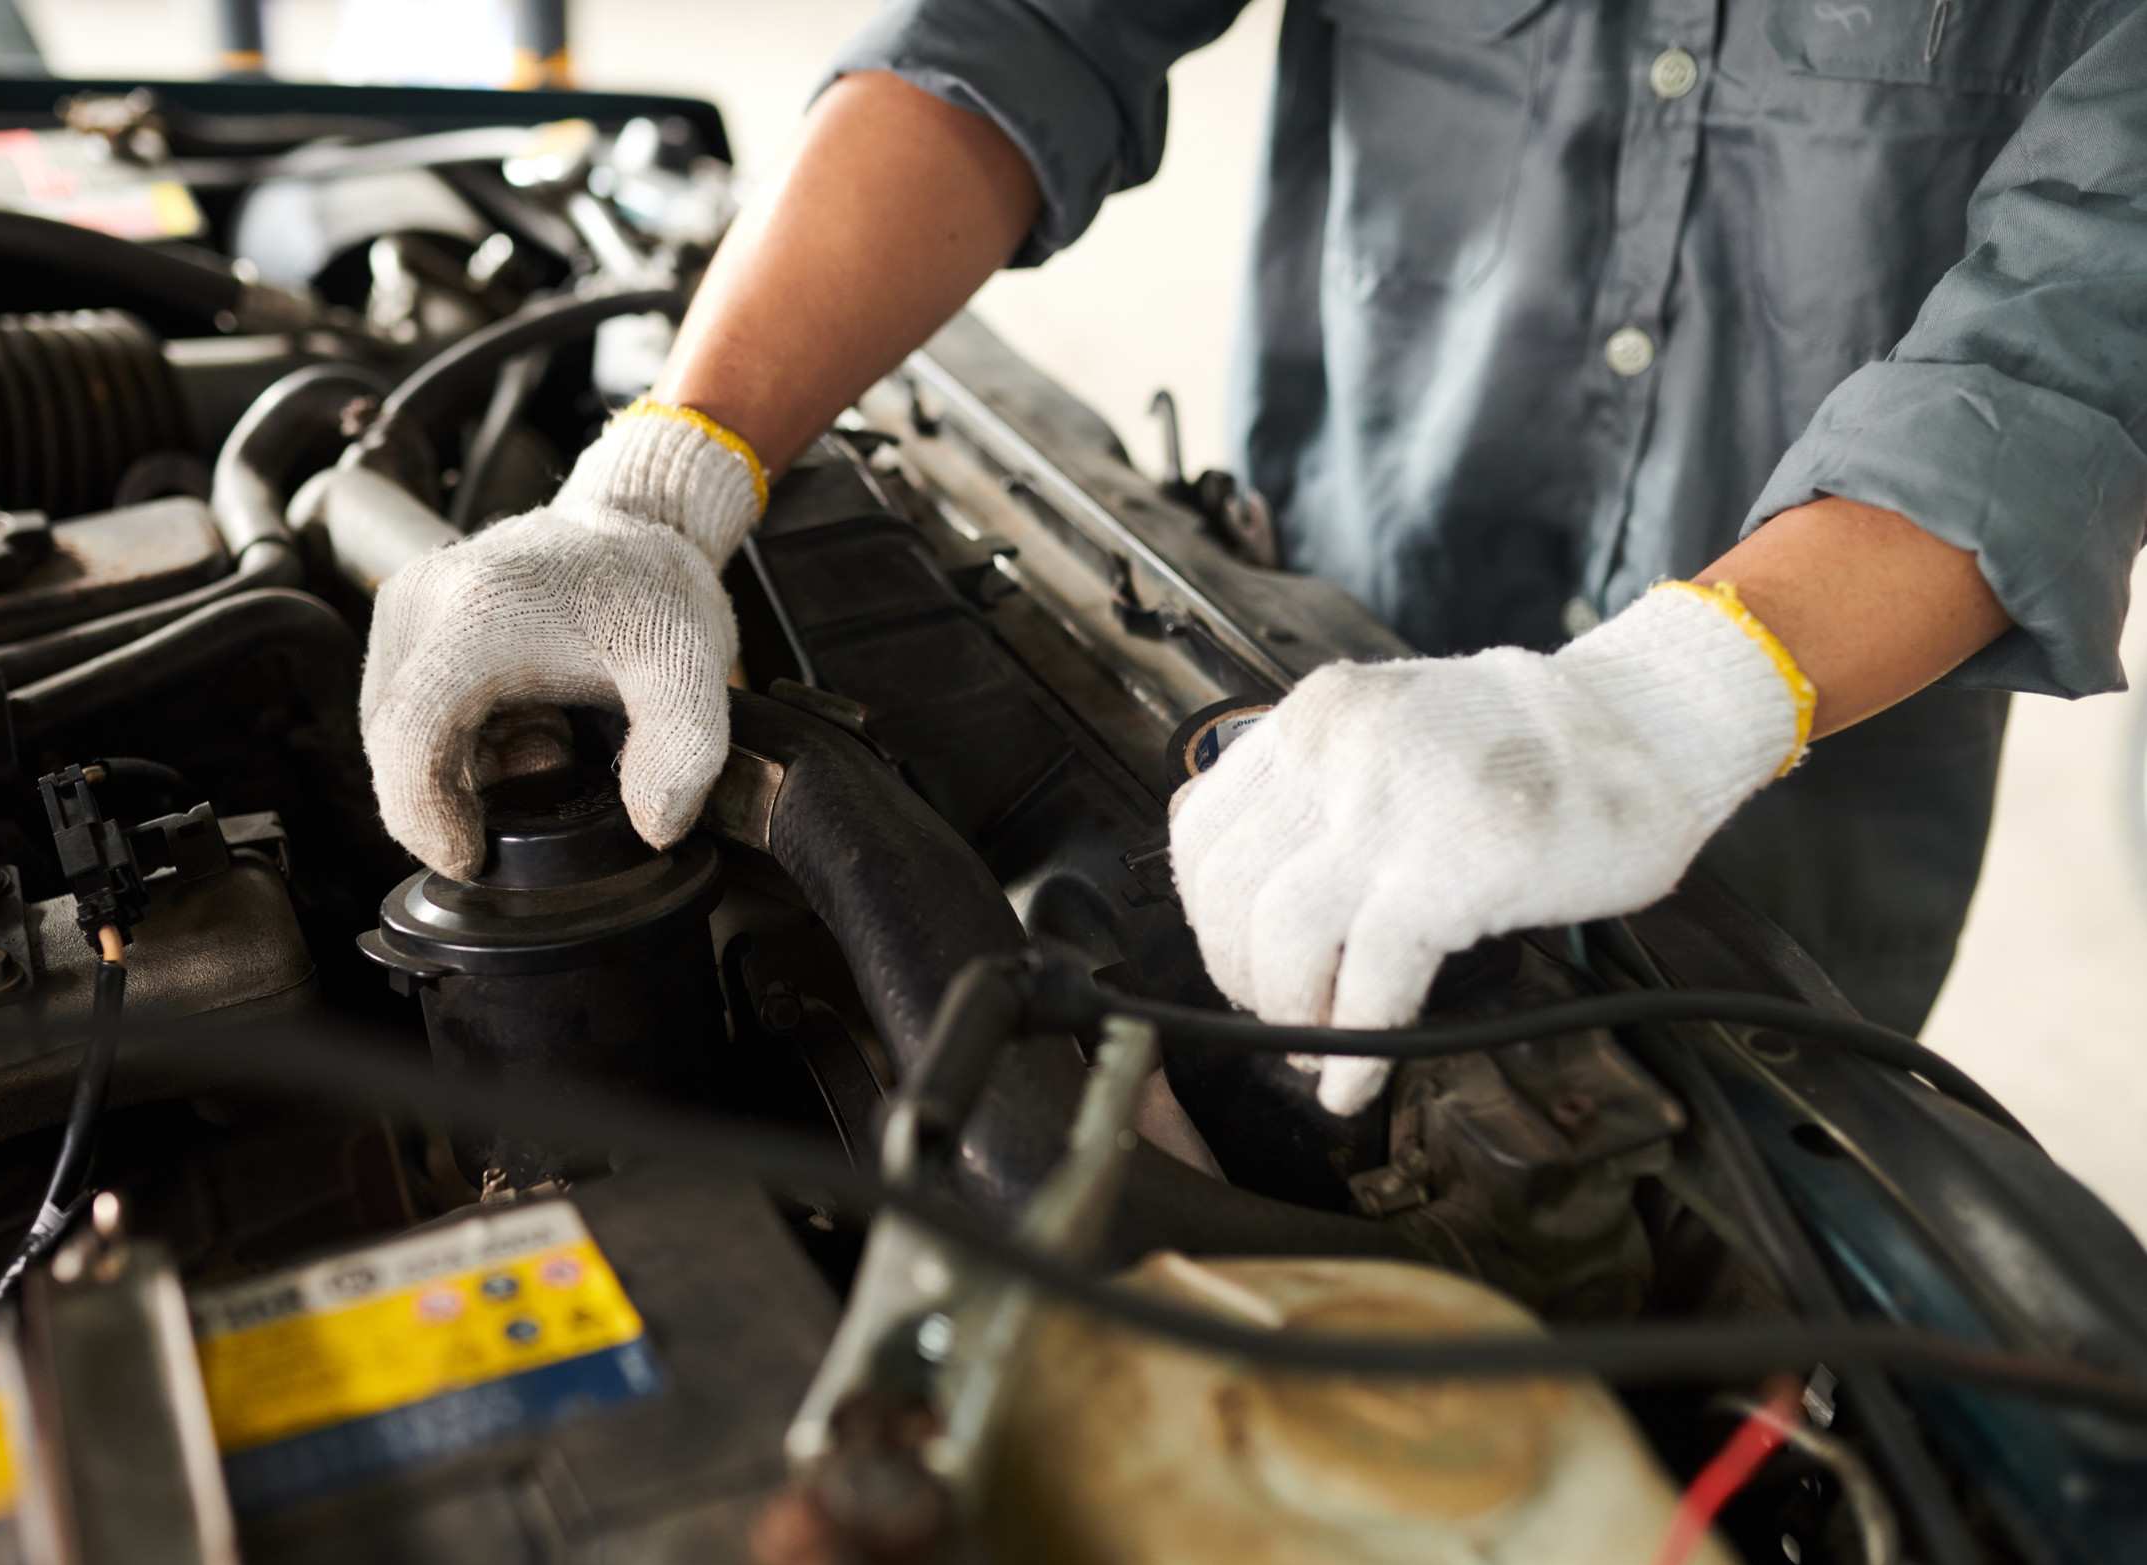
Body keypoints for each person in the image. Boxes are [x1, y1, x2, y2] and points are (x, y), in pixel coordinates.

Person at [359, 0, 2147, 1114]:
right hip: (1306, 671)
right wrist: (663, 476)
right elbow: (1021, 24)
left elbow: (2069, 343)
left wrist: (1661, 706)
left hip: (1788, 768)